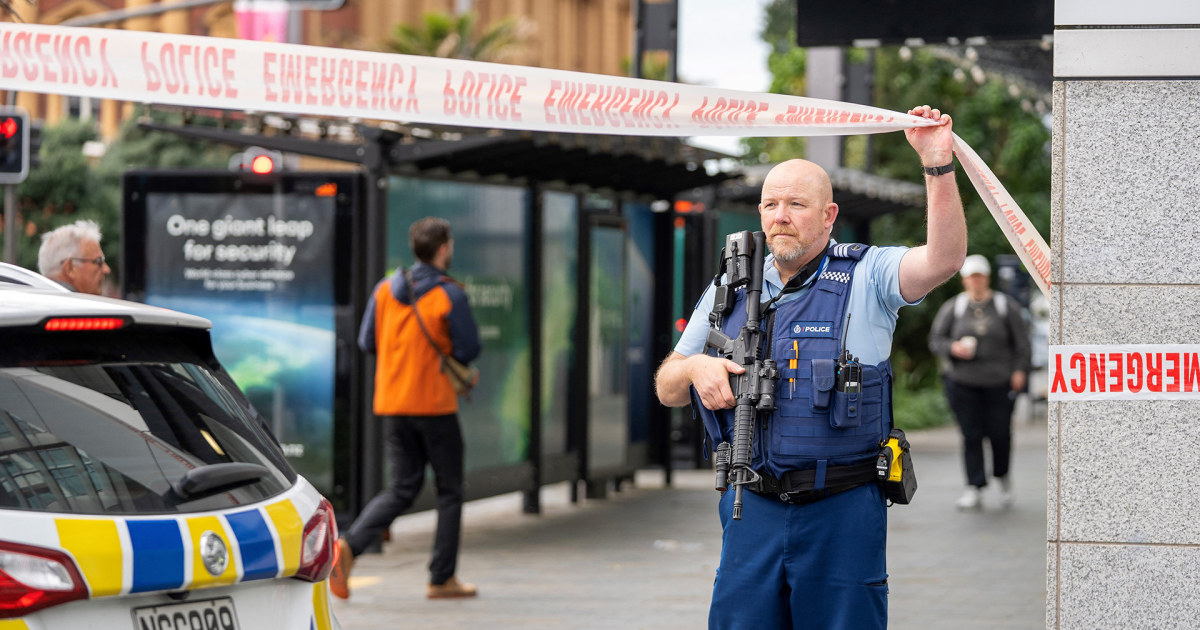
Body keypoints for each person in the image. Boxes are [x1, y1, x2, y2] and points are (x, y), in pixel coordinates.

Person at [653, 105, 966, 630]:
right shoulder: (731, 288)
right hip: (750, 507)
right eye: (771, 204)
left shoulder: (867, 274)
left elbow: (944, 259)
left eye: (797, 204)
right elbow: (667, 385)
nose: (780, 215)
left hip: (841, 508)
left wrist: (937, 164)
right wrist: (695, 370)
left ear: (828, 215)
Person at [330, 217, 481, 600]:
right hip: (434, 405)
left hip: (394, 404)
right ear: (444, 248)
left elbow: (367, 342)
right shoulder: (449, 294)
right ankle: (441, 578)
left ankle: (349, 546)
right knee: (449, 491)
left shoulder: (384, 289)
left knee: (402, 487)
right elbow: (468, 350)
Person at [928, 254, 1031, 511]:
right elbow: (936, 340)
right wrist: (953, 347)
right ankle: (974, 486)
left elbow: (1022, 344)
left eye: (980, 276)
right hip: (963, 383)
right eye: (971, 277)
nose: (976, 282)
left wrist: (1020, 371)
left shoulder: (1005, 306)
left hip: (999, 382)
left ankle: (1003, 478)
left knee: (1000, 434)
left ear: (987, 278)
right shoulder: (955, 307)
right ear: (964, 280)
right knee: (970, 435)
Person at [37, 219, 112, 295]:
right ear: (70, 269)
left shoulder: (37, 300)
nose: (106, 269)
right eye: (98, 261)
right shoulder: (77, 305)